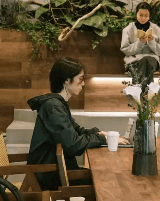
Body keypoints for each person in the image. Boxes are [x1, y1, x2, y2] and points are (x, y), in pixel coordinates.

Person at [27, 57, 129, 191]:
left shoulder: (57, 104)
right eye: (80, 79)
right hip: (49, 173)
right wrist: (102, 139)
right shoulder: (53, 107)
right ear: (66, 80)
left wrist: (100, 134)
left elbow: (76, 131)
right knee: (105, 179)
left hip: (55, 169)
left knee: (103, 176)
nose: (83, 84)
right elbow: (73, 145)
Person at [121, 2, 160, 87]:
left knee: (146, 60)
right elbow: (125, 50)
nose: (143, 18)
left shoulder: (157, 29)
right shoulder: (127, 30)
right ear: (136, 14)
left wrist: (152, 42)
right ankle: (148, 92)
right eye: (140, 15)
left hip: (151, 61)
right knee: (144, 65)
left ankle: (137, 90)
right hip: (133, 61)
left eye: (146, 15)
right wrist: (140, 43)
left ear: (149, 16)